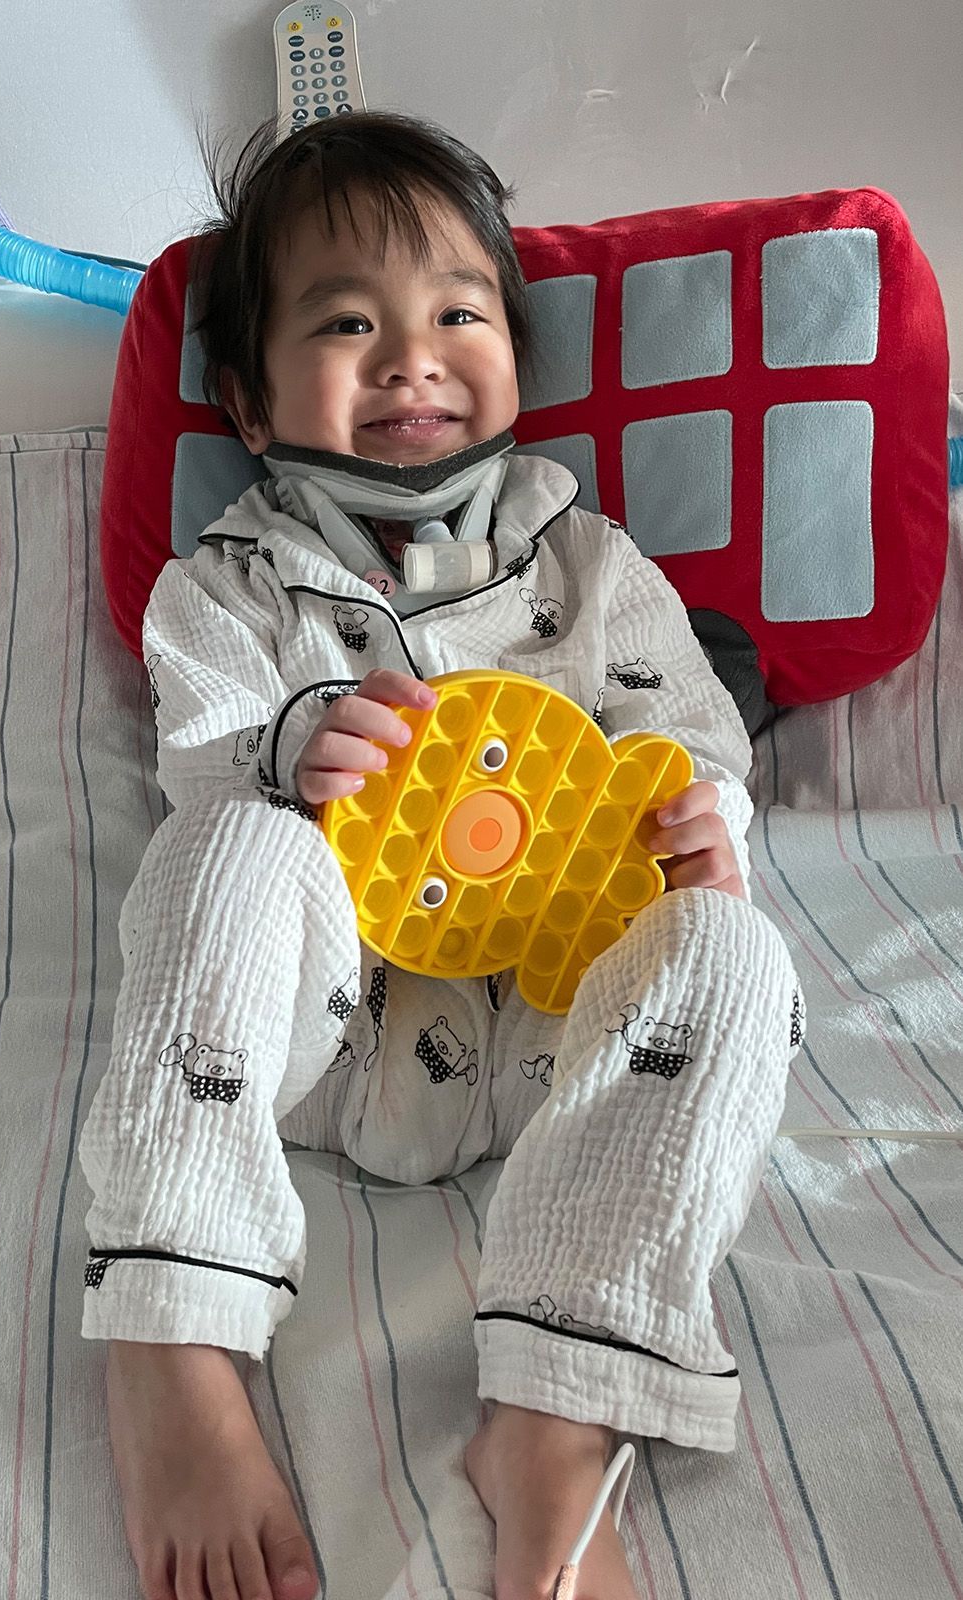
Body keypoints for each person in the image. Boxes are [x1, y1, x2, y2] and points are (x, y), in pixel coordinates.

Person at [79, 111, 802, 1600]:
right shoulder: (226, 583)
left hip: (565, 1055)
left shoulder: (596, 571)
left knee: (736, 949)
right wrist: (293, 749)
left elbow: (702, 750)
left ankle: (553, 1413)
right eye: (347, 324)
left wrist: (696, 835)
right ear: (249, 400)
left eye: (456, 315)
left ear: (514, 362)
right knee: (221, 850)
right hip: (316, 1042)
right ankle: (172, 1330)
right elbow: (200, 749)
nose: (410, 356)